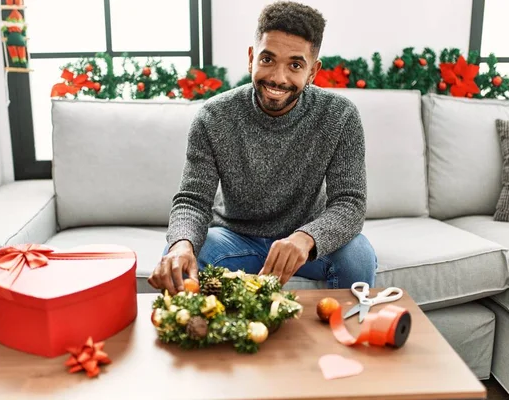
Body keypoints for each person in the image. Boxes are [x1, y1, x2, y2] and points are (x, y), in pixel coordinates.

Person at [148, 1, 377, 295]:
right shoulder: (214, 116)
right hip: (234, 238)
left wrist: (306, 237)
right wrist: (181, 243)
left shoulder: (340, 116)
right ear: (251, 58)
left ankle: (341, 337)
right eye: (267, 59)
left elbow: (350, 203)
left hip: (306, 241)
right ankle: (209, 335)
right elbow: (193, 200)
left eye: (295, 65)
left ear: (312, 72)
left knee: (357, 256)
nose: (278, 78)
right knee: (182, 253)